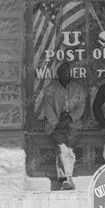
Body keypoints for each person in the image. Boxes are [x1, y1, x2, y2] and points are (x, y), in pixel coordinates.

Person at [37, 61, 86, 190]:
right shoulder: (50, 89)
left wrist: (69, 118)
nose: (67, 74)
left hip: (74, 125)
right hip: (56, 126)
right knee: (62, 148)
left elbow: (81, 107)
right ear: (58, 74)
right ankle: (67, 179)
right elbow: (48, 108)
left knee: (68, 149)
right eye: (63, 71)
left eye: (68, 71)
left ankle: (66, 178)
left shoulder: (78, 88)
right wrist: (57, 123)